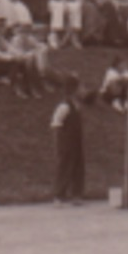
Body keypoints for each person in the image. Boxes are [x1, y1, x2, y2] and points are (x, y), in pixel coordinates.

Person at [50, 74, 88, 206]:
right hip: (66, 141)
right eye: (81, 87)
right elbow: (56, 123)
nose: (83, 90)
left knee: (78, 166)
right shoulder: (64, 106)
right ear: (73, 90)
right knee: (65, 166)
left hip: (76, 140)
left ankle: (76, 194)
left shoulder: (77, 105)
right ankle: (59, 195)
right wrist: (61, 141)